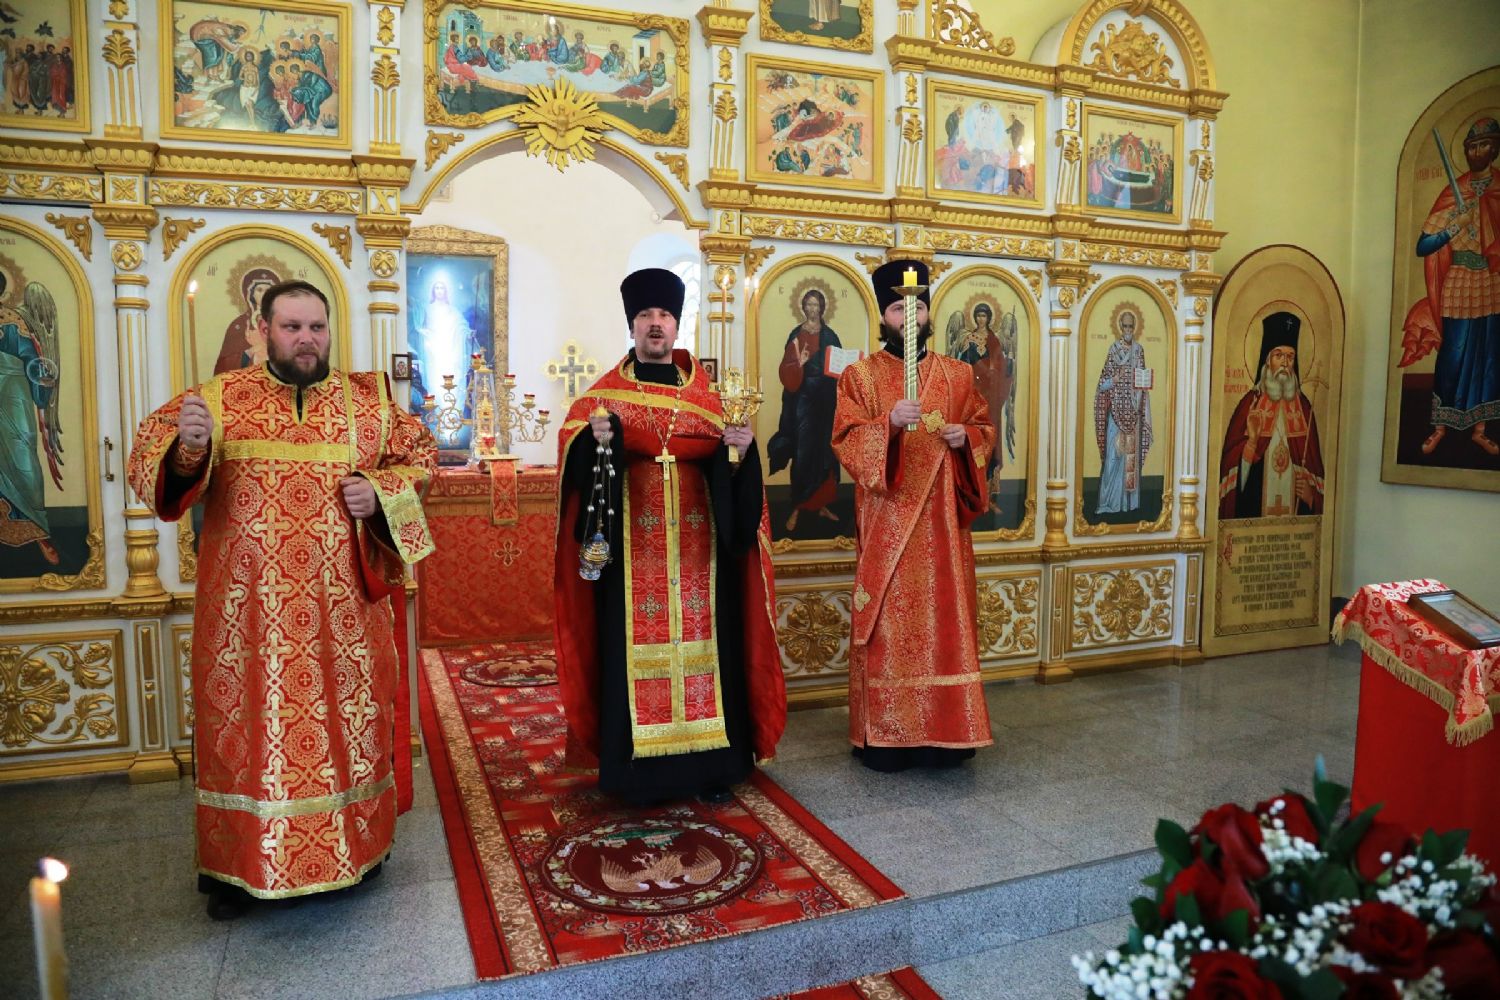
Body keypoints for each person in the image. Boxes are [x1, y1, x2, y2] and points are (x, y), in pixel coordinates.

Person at [127, 280, 437, 920]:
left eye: (316, 327)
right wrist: (189, 449)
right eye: (292, 327)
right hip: (247, 622)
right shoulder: (217, 398)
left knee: (347, 729)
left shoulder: (368, 402)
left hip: (344, 617)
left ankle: (356, 847)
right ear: (263, 330)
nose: (306, 339)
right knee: (248, 738)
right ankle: (239, 869)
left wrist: (383, 491)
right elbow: (149, 466)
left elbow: (422, 459)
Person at [554, 268, 785, 805]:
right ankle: (637, 774)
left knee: (711, 652)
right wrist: (593, 442)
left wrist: (741, 449)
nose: (655, 324)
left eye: (664, 315)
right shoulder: (602, 398)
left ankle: (712, 766)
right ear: (632, 325)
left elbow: (734, 468)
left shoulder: (708, 398)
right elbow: (573, 459)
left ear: (677, 325)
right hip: (631, 561)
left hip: (702, 558)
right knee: (628, 656)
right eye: (645, 316)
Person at [830, 259, 995, 773]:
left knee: (945, 625)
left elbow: (984, 429)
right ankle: (885, 738)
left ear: (928, 313)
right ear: (884, 315)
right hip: (889, 528)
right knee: (889, 630)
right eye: (899, 309)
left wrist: (967, 438)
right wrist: (888, 425)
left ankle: (950, 734)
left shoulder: (958, 373)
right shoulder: (859, 376)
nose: (909, 316)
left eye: (917, 307)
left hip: (943, 528)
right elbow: (846, 441)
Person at [1401, 116, 1500, 457]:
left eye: (1484, 145)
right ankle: (1440, 427)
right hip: (1459, 281)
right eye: (1471, 146)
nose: (1476, 152)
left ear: (1495, 149)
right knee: (1453, 354)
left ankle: (1481, 430)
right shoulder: (1453, 193)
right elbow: (1423, 246)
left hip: (1492, 283)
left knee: (1489, 355)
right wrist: (1454, 227)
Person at [1218, 312, 1325, 517]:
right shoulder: (1250, 404)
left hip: (1294, 522)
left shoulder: (1304, 409)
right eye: (1278, 355)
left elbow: (1315, 471)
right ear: (1267, 361)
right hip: (1253, 513)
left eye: (1290, 357)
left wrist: (1311, 497)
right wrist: (1251, 444)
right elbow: (1229, 471)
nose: (1285, 363)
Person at [767, 289, 843, 534]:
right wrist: (798, 363)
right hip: (803, 400)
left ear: (822, 307)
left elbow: (840, 367)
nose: (812, 309)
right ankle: (798, 506)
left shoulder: (830, 335)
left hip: (826, 401)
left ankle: (821, 504)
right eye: (808, 305)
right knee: (803, 452)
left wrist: (847, 368)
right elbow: (785, 370)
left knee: (824, 452)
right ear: (803, 307)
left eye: (816, 305)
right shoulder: (796, 335)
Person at [0, 273, 62, 566]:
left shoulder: (15, 322)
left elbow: (33, 362)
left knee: (24, 458)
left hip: (14, 396)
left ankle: (37, 530)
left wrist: (43, 384)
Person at [1093, 303, 1152, 515]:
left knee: (1130, 461)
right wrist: (1114, 379)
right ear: (1120, 327)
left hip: (1133, 413)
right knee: (1113, 459)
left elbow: (1142, 381)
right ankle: (1109, 503)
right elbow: (1102, 384)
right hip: (1116, 414)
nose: (1128, 330)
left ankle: (1128, 505)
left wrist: (1144, 383)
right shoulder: (1114, 350)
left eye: (1131, 326)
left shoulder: (1139, 351)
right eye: (1125, 326)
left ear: (1135, 328)